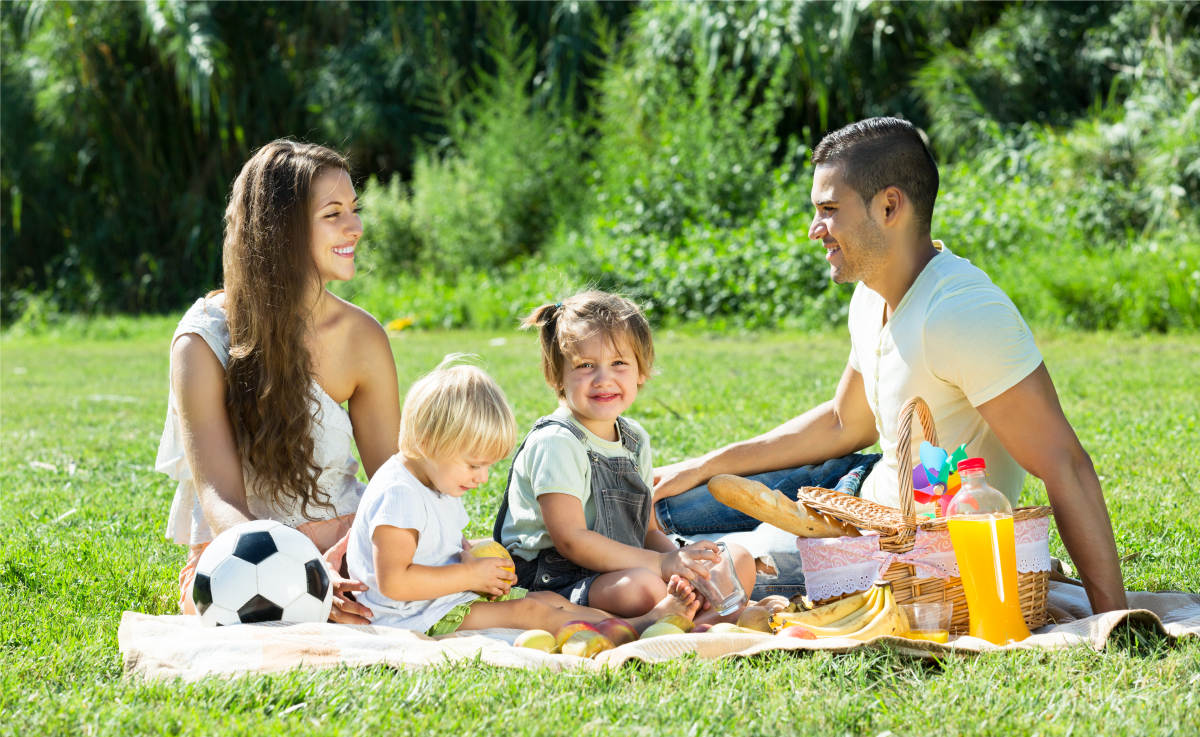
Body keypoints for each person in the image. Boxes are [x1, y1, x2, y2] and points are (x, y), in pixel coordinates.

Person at [652, 117, 1128, 614]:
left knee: (701, 568)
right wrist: (703, 464)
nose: (815, 230)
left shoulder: (963, 313)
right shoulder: (870, 293)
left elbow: (1066, 464)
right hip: (854, 487)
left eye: (829, 210)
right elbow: (843, 422)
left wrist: (1115, 617)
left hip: (895, 549)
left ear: (889, 205)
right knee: (656, 505)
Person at [157, 139, 399, 624]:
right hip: (240, 552)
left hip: (344, 544)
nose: (356, 226)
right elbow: (220, 497)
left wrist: (349, 560)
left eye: (354, 209)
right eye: (333, 214)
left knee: (410, 583)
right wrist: (298, 577)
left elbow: (394, 480)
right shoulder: (203, 340)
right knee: (237, 606)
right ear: (282, 230)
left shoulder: (362, 337)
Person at [346, 357, 699, 635]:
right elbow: (395, 581)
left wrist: (470, 559)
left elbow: (433, 544)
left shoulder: (434, 477)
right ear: (428, 441)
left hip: (438, 601)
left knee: (544, 599)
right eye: (474, 465)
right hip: (411, 617)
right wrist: (469, 578)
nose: (482, 478)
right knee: (529, 611)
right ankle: (640, 627)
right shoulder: (399, 494)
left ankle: (635, 621)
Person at [493, 291, 757, 621]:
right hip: (557, 580)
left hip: (628, 565)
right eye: (585, 365)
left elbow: (645, 533)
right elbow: (571, 541)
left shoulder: (634, 439)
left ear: (641, 371)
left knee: (737, 559)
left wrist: (683, 561)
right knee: (642, 588)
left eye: (619, 363)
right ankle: (693, 618)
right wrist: (662, 566)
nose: (604, 379)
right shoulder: (556, 441)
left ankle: (689, 616)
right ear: (556, 375)